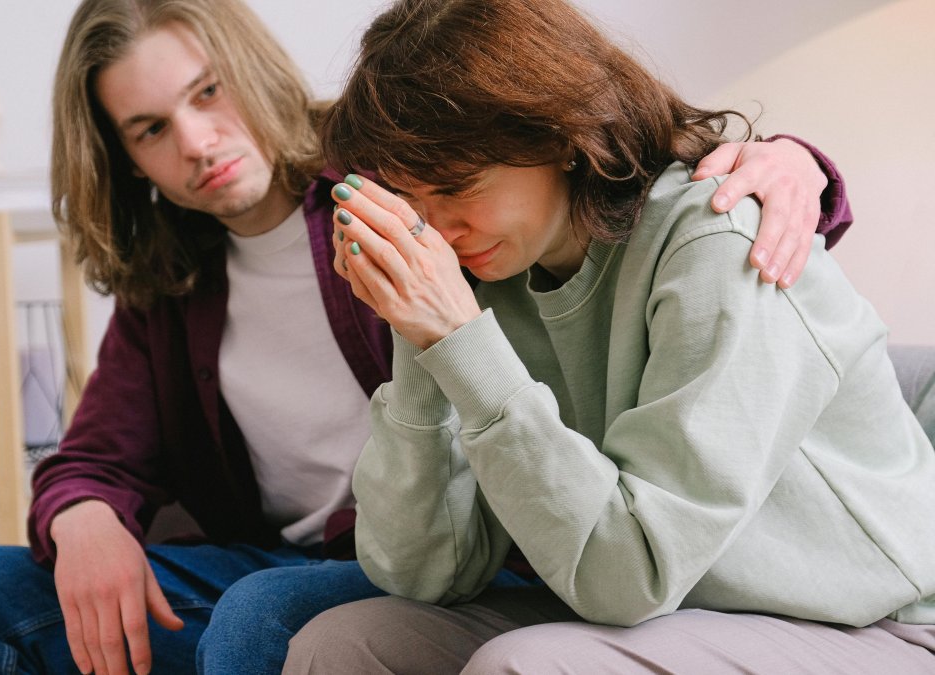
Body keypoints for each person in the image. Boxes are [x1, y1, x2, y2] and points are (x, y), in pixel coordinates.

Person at [0, 0, 853, 673]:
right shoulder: (174, 274)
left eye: (209, 91)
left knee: (263, 615)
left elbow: (606, 154)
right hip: (291, 554)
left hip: (473, 545)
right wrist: (81, 520)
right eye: (151, 129)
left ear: (252, 68)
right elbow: (95, 453)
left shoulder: (397, 171)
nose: (196, 141)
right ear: (125, 158)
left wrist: (795, 163)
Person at [281, 0, 935, 672]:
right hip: (665, 607)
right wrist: (422, 336)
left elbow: (631, 572)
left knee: (526, 665)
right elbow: (421, 572)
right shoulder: (484, 268)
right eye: (410, 201)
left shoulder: (717, 242)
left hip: (871, 622)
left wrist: (461, 337)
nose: (437, 229)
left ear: (558, 136)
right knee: (342, 645)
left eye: (455, 186)